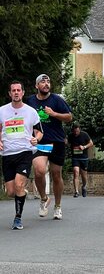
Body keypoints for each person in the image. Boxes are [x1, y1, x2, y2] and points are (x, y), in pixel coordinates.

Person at [27, 74, 72, 220]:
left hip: (56, 141)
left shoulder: (57, 100)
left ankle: (57, 206)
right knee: (39, 171)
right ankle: (44, 199)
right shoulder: (30, 101)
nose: (46, 84)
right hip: (39, 142)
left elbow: (69, 117)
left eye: (48, 82)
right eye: (42, 82)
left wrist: (54, 113)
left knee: (56, 174)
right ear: (36, 86)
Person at [0, 81, 43, 229]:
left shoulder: (31, 111)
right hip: (7, 154)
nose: (16, 92)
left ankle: (17, 219)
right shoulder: (2, 111)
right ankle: (20, 192)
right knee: (11, 191)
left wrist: (36, 138)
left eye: (19, 90)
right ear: (10, 93)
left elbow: (39, 131)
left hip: (24, 152)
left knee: (18, 184)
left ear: (23, 93)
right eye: (13, 90)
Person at [67, 123, 93, 198]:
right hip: (75, 158)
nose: (76, 133)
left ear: (79, 130)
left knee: (84, 176)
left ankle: (84, 186)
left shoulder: (84, 134)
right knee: (76, 172)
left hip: (84, 158)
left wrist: (84, 147)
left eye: (77, 131)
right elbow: (68, 144)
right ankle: (76, 191)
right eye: (74, 132)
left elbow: (91, 143)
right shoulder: (70, 136)